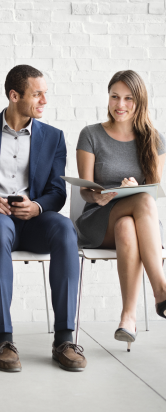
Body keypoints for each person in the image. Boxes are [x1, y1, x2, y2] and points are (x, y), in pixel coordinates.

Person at [0, 65, 86, 372]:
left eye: (45, 93)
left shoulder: (53, 137)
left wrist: (37, 206)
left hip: (33, 221)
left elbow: (56, 190)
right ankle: (1, 339)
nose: (44, 101)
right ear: (14, 96)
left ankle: (65, 339)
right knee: (0, 228)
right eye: (37, 94)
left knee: (66, 228)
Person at [75, 70, 166, 351]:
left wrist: (135, 186)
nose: (120, 104)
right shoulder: (91, 134)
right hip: (98, 219)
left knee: (129, 223)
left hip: (138, 224)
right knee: (139, 204)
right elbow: (84, 190)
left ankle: (128, 318)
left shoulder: (154, 139)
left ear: (140, 102)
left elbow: (154, 190)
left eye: (128, 98)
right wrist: (99, 196)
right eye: (115, 96)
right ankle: (161, 290)